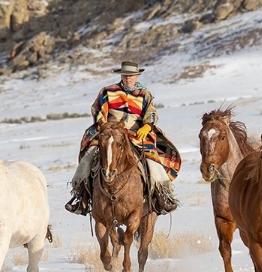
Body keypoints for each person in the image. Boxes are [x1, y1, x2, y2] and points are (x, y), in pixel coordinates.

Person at [65, 60, 181, 216]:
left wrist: (147, 126)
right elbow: (98, 110)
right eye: (126, 75)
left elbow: (151, 113)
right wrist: (104, 126)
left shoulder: (144, 94)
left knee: (153, 158)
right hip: (110, 131)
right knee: (89, 154)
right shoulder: (107, 92)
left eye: (131, 75)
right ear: (121, 75)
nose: (128, 78)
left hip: (136, 133)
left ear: (137, 76)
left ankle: (161, 195)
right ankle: (81, 196)